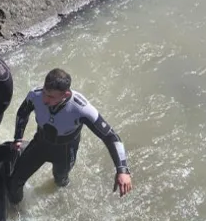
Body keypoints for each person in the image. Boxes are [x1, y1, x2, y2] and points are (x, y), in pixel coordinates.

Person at [8, 68, 132, 204]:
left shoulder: (81, 109)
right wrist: (17, 138)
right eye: (44, 92)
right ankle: (17, 211)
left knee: (60, 182)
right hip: (40, 144)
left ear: (65, 95)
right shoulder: (35, 95)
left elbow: (111, 137)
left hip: (65, 152)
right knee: (14, 182)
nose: (44, 99)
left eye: (51, 97)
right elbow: (22, 113)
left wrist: (122, 170)